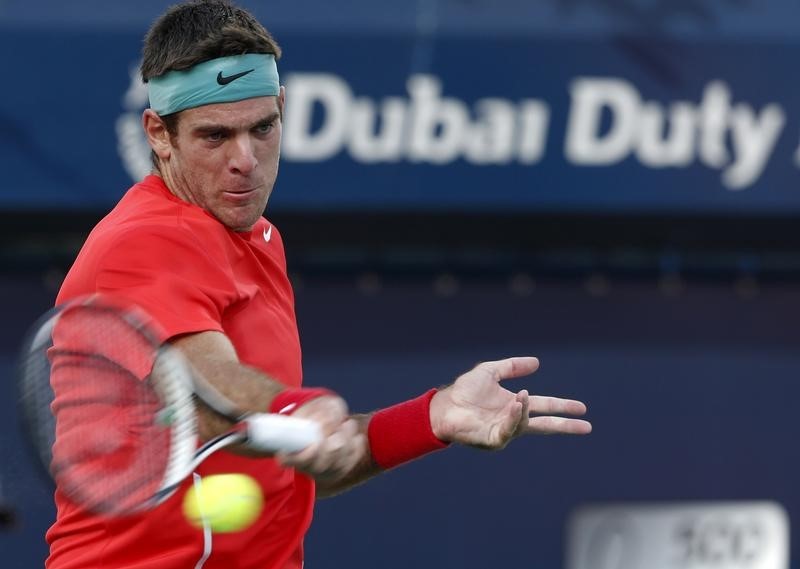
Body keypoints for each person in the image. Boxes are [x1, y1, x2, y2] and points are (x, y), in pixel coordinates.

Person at [46, 1, 592, 567]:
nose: (246, 160)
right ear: (160, 134)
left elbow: (289, 461)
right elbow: (208, 387)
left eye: (263, 127)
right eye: (215, 136)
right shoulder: (141, 244)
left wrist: (432, 418)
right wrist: (302, 411)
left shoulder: (257, 240)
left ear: (282, 107)